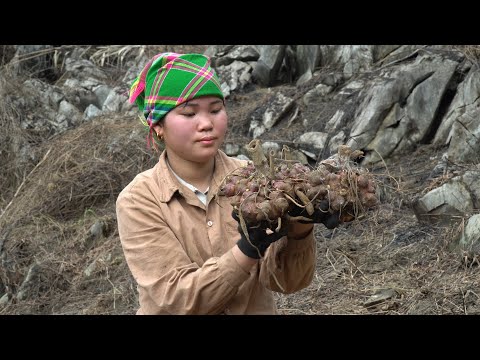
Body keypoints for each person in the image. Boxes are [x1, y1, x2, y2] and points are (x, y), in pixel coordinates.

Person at [116, 52, 341, 315]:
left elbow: (285, 283)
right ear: (158, 126)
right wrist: (247, 250)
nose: (207, 123)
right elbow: (175, 299)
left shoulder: (255, 179)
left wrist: (300, 228)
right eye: (189, 113)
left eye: (215, 109)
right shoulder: (139, 199)